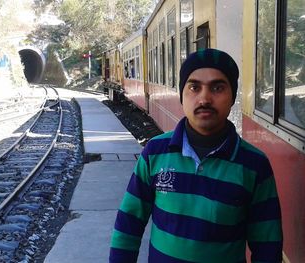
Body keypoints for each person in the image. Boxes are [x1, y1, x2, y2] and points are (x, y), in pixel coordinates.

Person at [109, 48, 283, 262]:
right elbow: (129, 222)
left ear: (232, 97)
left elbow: (267, 244)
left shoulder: (255, 165)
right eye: (194, 87)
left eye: (218, 87)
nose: (205, 98)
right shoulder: (155, 152)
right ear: (182, 95)